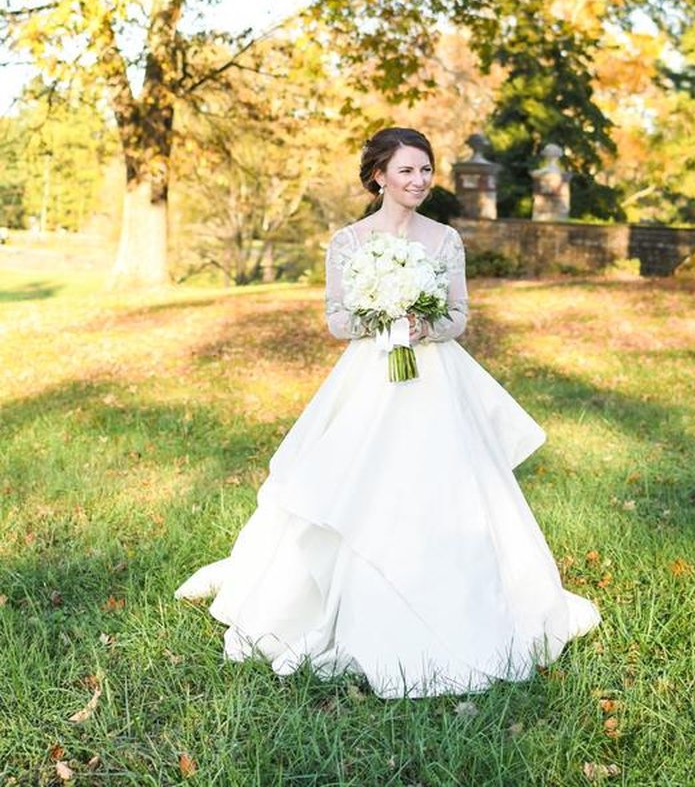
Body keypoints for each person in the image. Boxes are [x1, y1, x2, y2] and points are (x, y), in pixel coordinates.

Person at [175, 126, 600, 698]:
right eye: (405, 171)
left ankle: (459, 599)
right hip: (371, 379)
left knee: (447, 486)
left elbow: (457, 318)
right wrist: (384, 310)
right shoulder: (348, 242)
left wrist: (423, 322)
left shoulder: (446, 240)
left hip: (435, 381)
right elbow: (336, 320)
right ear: (379, 176)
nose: (418, 180)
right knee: (357, 485)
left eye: (425, 170)